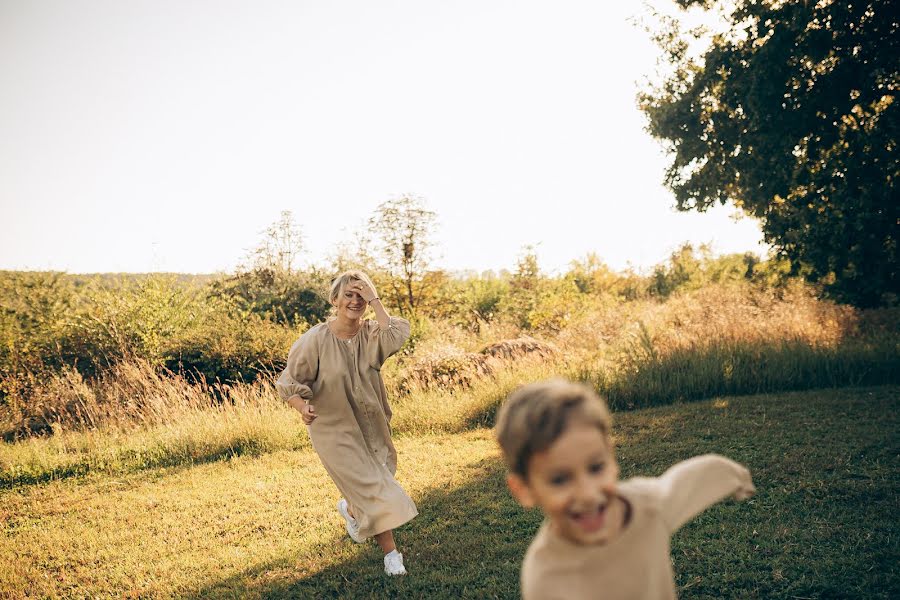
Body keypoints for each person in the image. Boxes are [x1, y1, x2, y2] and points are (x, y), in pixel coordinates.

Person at [494, 379, 755, 599]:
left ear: (612, 458)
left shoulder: (649, 505)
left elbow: (689, 479)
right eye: (560, 480)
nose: (588, 493)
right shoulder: (545, 577)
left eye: (596, 467)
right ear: (524, 489)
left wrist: (738, 478)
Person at [276, 270, 417, 576]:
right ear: (335, 299)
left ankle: (351, 510)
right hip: (332, 428)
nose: (355, 301)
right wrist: (302, 407)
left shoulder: (371, 334)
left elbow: (394, 334)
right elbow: (289, 381)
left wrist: (375, 297)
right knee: (376, 489)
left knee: (376, 479)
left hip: (371, 423)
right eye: (349, 295)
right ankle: (392, 556)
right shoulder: (315, 340)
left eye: (361, 296)